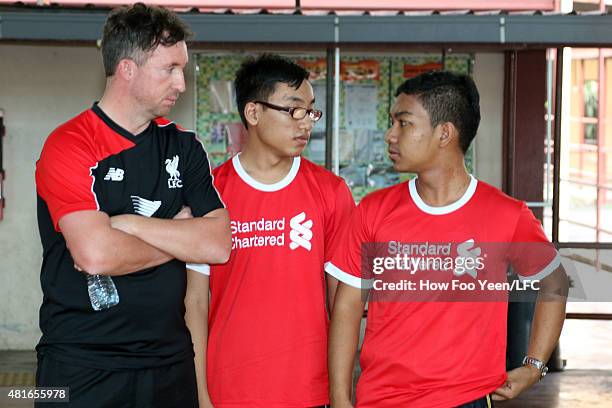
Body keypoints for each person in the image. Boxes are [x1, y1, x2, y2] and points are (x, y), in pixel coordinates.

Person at [327, 71, 569, 408]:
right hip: (382, 399)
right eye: (392, 123)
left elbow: (555, 283)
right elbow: (347, 305)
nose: (390, 135)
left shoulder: (506, 215)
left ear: (444, 133)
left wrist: (534, 367)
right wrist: (340, 398)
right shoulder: (372, 211)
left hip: (467, 399)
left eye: (404, 123)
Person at [35, 4, 231, 407]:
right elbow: (95, 255)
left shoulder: (184, 146)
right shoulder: (70, 145)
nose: (181, 81)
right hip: (79, 366)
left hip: (170, 364)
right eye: (169, 69)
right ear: (127, 69)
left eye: (184, 68)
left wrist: (128, 225)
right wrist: (178, 236)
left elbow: (218, 244)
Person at [185, 54, 355, 408]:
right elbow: (196, 303)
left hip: (308, 393)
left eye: (311, 111)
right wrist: (200, 395)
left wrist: (340, 396)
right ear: (253, 113)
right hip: (227, 392)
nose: (306, 122)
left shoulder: (331, 192)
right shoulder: (210, 192)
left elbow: (344, 305)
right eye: (294, 110)